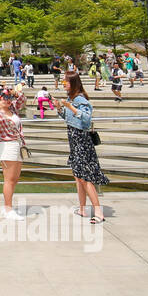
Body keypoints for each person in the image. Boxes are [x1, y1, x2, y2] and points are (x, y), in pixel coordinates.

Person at [58, 75, 107, 222]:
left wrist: (70, 107)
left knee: (85, 178)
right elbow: (68, 118)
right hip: (74, 141)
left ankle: (98, 212)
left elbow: (86, 119)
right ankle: (82, 208)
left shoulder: (80, 100)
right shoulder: (71, 99)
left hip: (81, 142)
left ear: (73, 83)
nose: (63, 84)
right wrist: (60, 107)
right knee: (78, 177)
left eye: (65, 81)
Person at [0, 88, 27, 221]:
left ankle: (9, 207)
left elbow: (23, 100)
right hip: (7, 146)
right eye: (6, 97)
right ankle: (8, 209)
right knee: (9, 180)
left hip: (18, 145)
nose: (9, 100)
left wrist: (15, 92)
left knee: (15, 179)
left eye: (10, 97)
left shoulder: (13, 108)